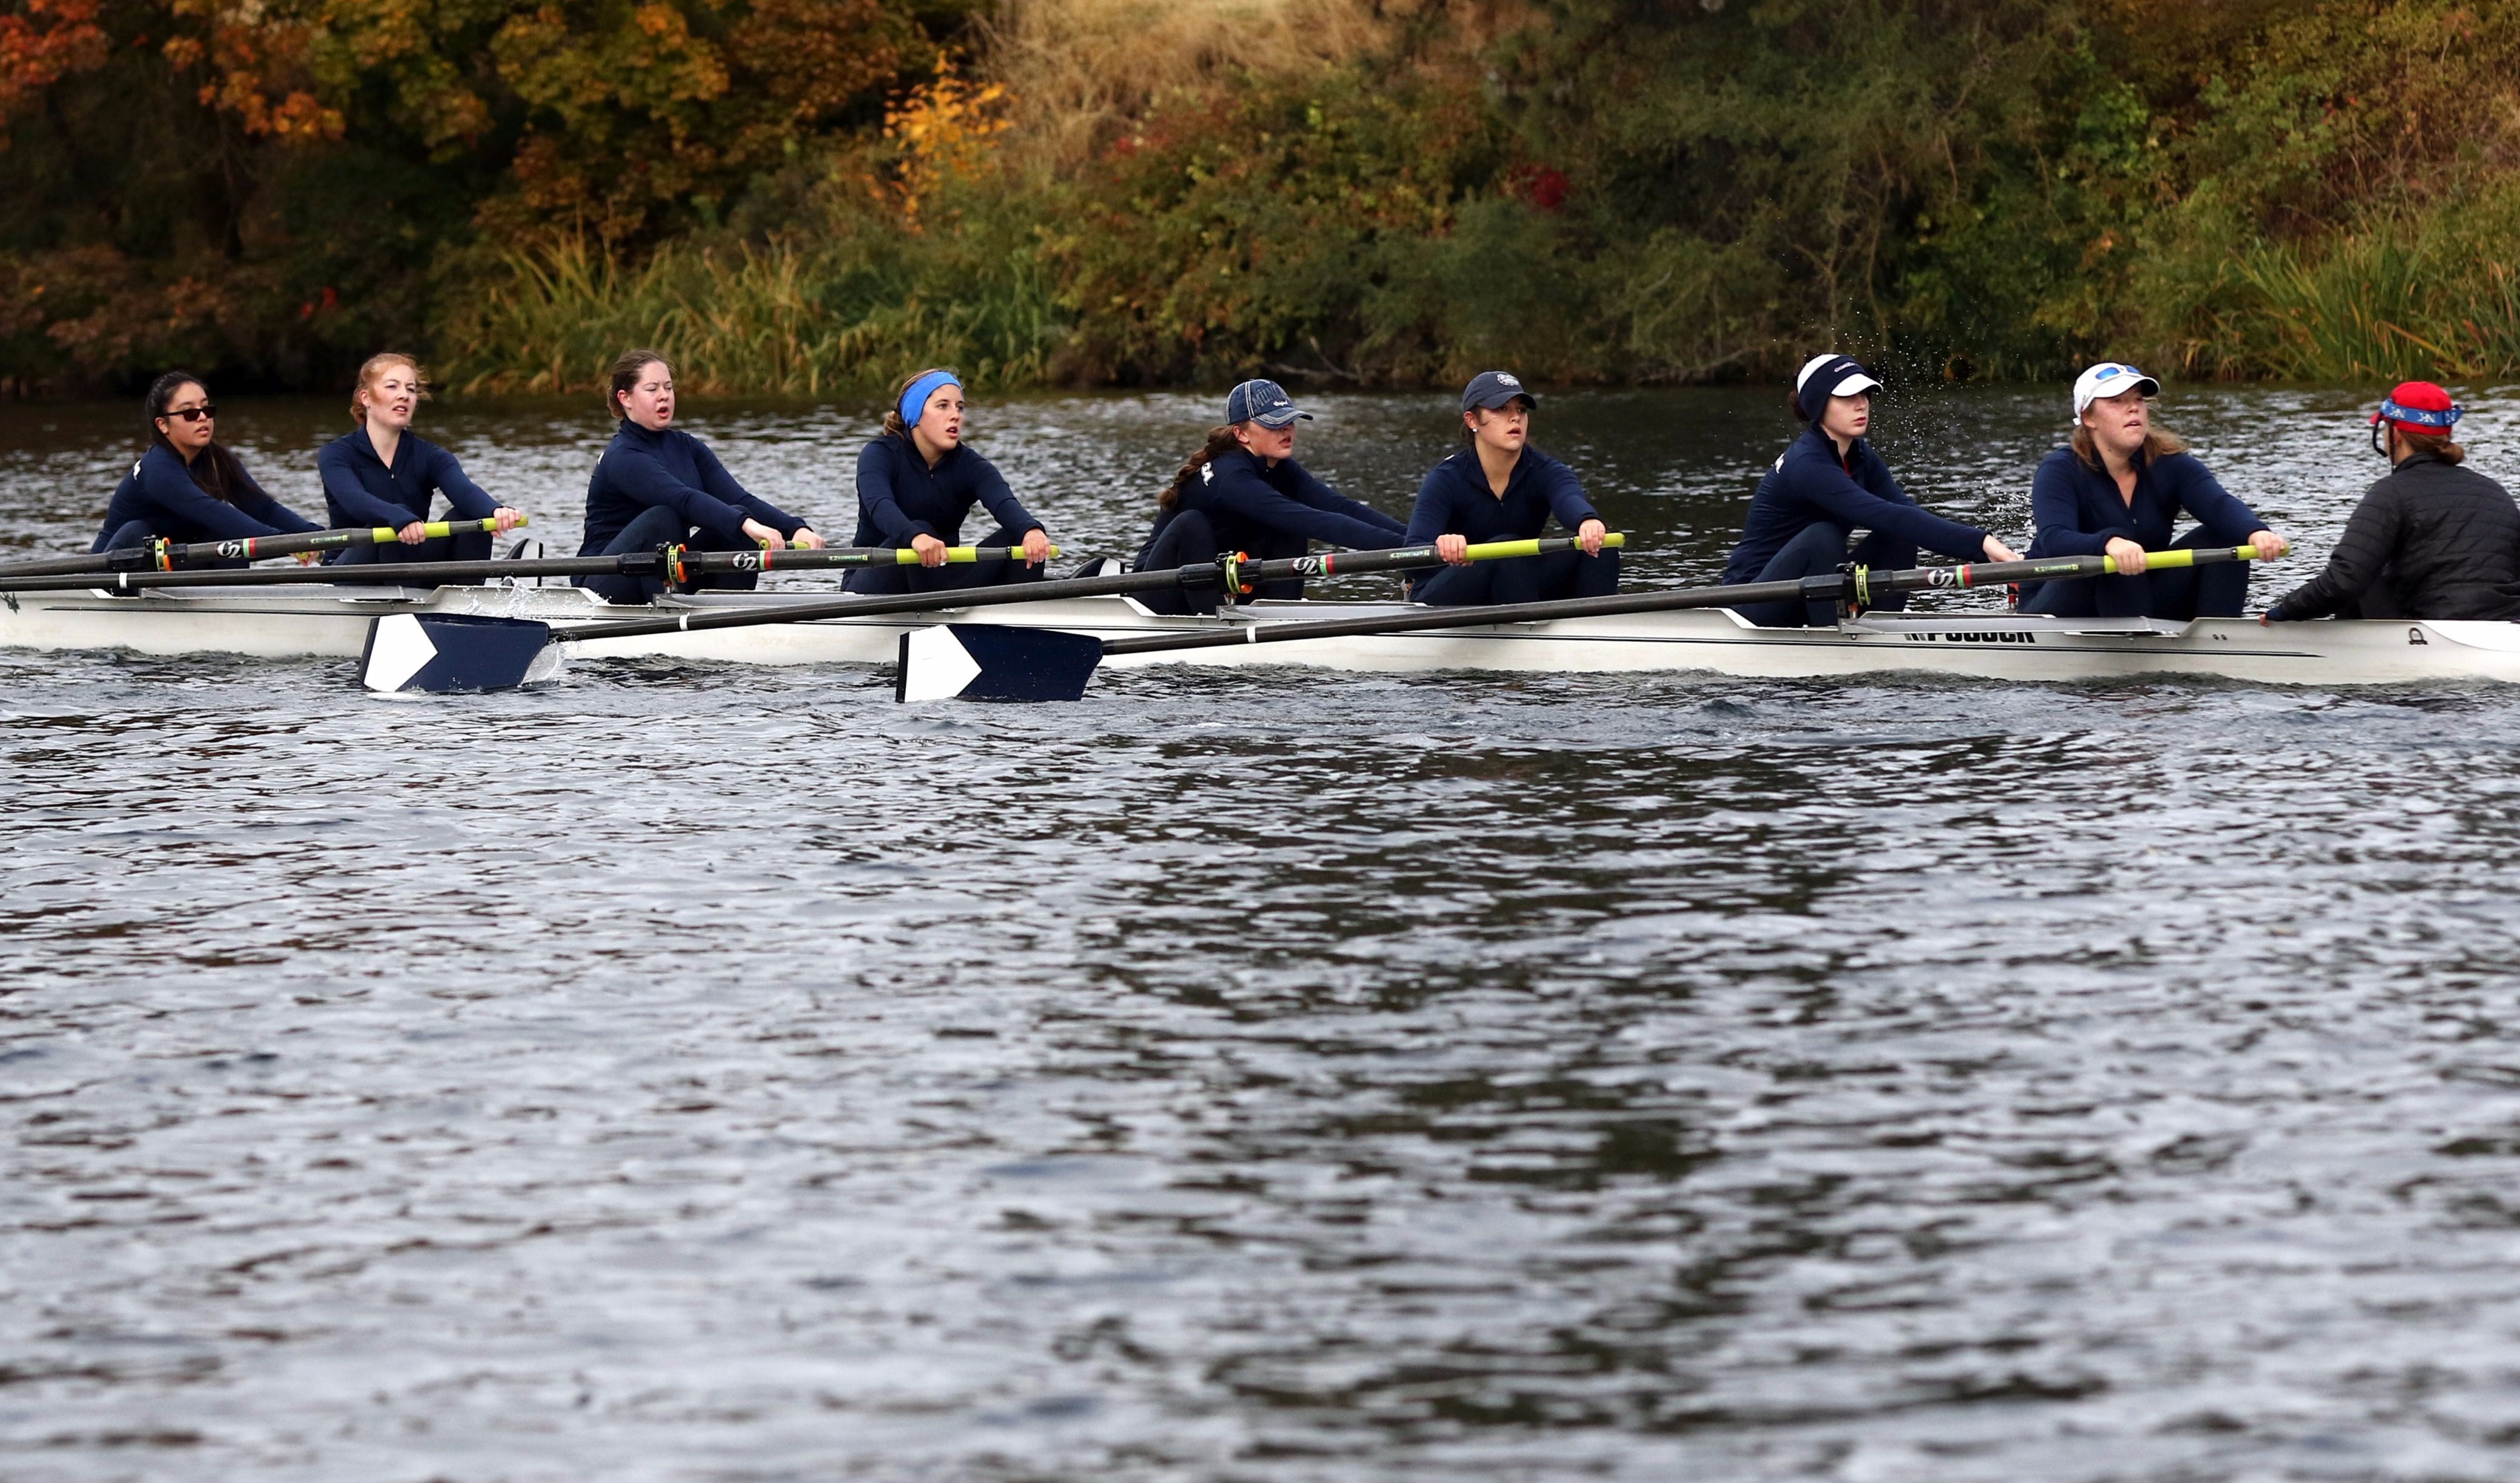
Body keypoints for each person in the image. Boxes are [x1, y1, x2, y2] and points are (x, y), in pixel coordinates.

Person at [1722, 354, 2017, 628]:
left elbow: (1906, 513)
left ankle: (1879, 634)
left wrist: (1991, 551)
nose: (1862, 404)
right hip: (1753, 602)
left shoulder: (1860, 457)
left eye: (1864, 394)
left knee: (1900, 535)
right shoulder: (1807, 464)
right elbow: (1884, 515)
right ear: (1818, 405)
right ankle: (1834, 644)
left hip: (1808, 591)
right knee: (1823, 536)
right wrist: (1982, 545)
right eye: (1848, 397)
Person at [2020, 362, 2288, 619]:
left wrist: (2256, 531)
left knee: (2226, 536)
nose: (2133, 409)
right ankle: (2134, 646)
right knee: (2114, 550)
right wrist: (2109, 543)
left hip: (2138, 595)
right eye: (2117, 402)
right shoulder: (2059, 470)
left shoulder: (2171, 464)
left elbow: (2218, 505)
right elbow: (2055, 540)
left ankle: (2219, 641)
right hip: (2057, 602)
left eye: (2138, 400)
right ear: (2089, 417)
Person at [1135, 379, 1406, 615]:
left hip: (1215, 579)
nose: (1287, 430)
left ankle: (1279, 617)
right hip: (1156, 591)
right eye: (1275, 424)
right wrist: (1408, 550)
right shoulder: (1233, 478)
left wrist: (1420, 541)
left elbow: (1341, 508)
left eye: (1289, 421)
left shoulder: (1279, 466)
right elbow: (1318, 522)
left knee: (1289, 526)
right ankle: (1222, 626)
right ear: (1241, 434)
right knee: (1192, 523)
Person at [576, 350, 824, 605]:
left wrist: (796, 529)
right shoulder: (623, 456)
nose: (664, 396)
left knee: (737, 515)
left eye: (668, 388)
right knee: (664, 517)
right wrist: (752, 526)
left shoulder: (687, 447)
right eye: (652, 389)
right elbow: (682, 499)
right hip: (604, 582)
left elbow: (738, 497)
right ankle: (668, 613)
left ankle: (730, 616)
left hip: (668, 571)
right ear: (625, 398)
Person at [2263, 381, 2520, 623]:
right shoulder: (2495, 491)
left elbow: (2344, 582)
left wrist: (2283, 611)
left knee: (2363, 572)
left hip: (2429, 634)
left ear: (2395, 434)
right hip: (2506, 628)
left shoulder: (2390, 493)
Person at [1404, 371, 1616, 605]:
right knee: (1507, 549)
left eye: (1521, 410)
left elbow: (1568, 498)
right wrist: (1443, 545)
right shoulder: (1445, 478)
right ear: (1472, 420)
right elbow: (1414, 554)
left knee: (1603, 547)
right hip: (1448, 587)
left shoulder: (1546, 470)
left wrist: (1587, 521)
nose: (1515, 418)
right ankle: (1525, 629)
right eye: (1501, 409)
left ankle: (1589, 630)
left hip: (1517, 579)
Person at [843, 368, 1053, 595]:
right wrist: (915, 536)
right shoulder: (879, 455)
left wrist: (1031, 531)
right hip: (873, 579)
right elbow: (880, 505)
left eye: (959, 407)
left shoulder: (969, 464)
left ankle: (1017, 621)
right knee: (920, 528)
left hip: (939, 577)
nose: (955, 415)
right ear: (915, 414)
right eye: (943, 406)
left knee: (1019, 536)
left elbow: (1004, 503)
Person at [319, 353, 524, 566]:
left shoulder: (430, 456)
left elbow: (464, 491)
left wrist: (495, 511)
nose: (404, 396)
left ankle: (467, 594)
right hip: (350, 569)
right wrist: (399, 517)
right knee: (382, 528)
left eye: (411, 389)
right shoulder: (336, 455)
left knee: (472, 518)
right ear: (366, 398)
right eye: (392, 387)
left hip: (410, 562)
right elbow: (355, 501)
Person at [90, 372, 323, 556]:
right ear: (163, 425)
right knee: (140, 531)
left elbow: (264, 509)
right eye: (189, 413)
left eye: (206, 409)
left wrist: (318, 538)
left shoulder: (217, 460)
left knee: (222, 537)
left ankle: (228, 606)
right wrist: (285, 543)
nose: (203, 417)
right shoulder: (158, 468)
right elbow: (212, 512)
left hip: (167, 563)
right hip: (107, 571)